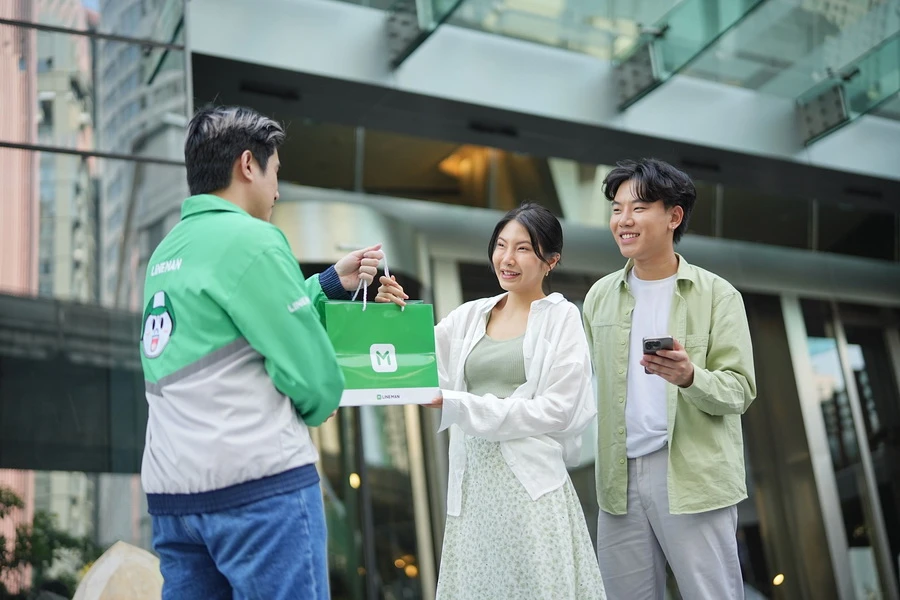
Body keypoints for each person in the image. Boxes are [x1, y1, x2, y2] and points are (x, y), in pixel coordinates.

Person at [140, 105, 382, 600]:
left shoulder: (166, 253)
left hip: (174, 498)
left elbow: (236, 329)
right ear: (248, 165)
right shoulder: (253, 240)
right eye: (276, 174)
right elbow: (316, 381)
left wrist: (328, 283)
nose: (277, 191)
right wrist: (319, 402)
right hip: (257, 489)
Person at [376, 203, 606, 599]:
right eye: (501, 245)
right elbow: (416, 355)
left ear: (551, 261)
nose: (507, 258)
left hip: (530, 489)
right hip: (474, 487)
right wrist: (394, 312)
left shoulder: (561, 317)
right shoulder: (470, 315)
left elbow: (558, 410)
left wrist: (462, 404)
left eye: (523, 248)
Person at [582, 158, 757, 599]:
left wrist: (690, 376)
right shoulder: (599, 297)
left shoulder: (718, 295)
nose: (623, 220)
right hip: (618, 479)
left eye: (638, 208)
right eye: (617, 209)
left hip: (691, 474)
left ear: (673, 216)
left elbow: (739, 390)